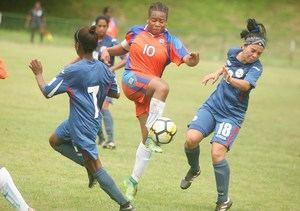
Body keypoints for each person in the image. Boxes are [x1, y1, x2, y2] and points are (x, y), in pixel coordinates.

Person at [28, 26, 135, 211]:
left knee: (97, 167)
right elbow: (115, 94)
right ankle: (89, 167)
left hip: (82, 125)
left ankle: (125, 205)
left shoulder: (72, 71)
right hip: (86, 120)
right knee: (55, 140)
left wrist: (38, 73)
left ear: (77, 45)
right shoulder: (106, 70)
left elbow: (48, 91)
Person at [101, 1, 199, 201]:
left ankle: (132, 181)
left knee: (147, 141)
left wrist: (193, 58)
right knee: (163, 86)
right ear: (148, 19)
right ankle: (155, 128)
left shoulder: (171, 41)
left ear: (166, 22)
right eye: (154, 19)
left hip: (148, 92)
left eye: (161, 21)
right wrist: (107, 52)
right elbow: (121, 48)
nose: (157, 23)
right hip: (131, 79)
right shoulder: (136, 32)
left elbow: (188, 60)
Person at [180, 19, 267, 211]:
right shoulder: (231, 52)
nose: (255, 55)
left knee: (217, 153)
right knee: (191, 139)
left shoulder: (256, 68)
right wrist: (216, 73)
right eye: (252, 50)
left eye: (259, 53)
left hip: (232, 115)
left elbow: (246, 85)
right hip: (213, 106)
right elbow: (227, 65)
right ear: (244, 46)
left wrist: (230, 79)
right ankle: (194, 170)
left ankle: (223, 200)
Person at [93, 15, 127, 149]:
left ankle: (111, 140)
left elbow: (125, 59)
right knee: (93, 110)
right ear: (95, 26)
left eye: (104, 26)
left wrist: (111, 68)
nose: (102, 28)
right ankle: (101, 138)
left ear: (108, 27)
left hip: (106, 81)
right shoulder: (91, 40)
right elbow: (81, 56)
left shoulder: (112, 41)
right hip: (91, 80)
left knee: (103, 108)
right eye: (99, 26)